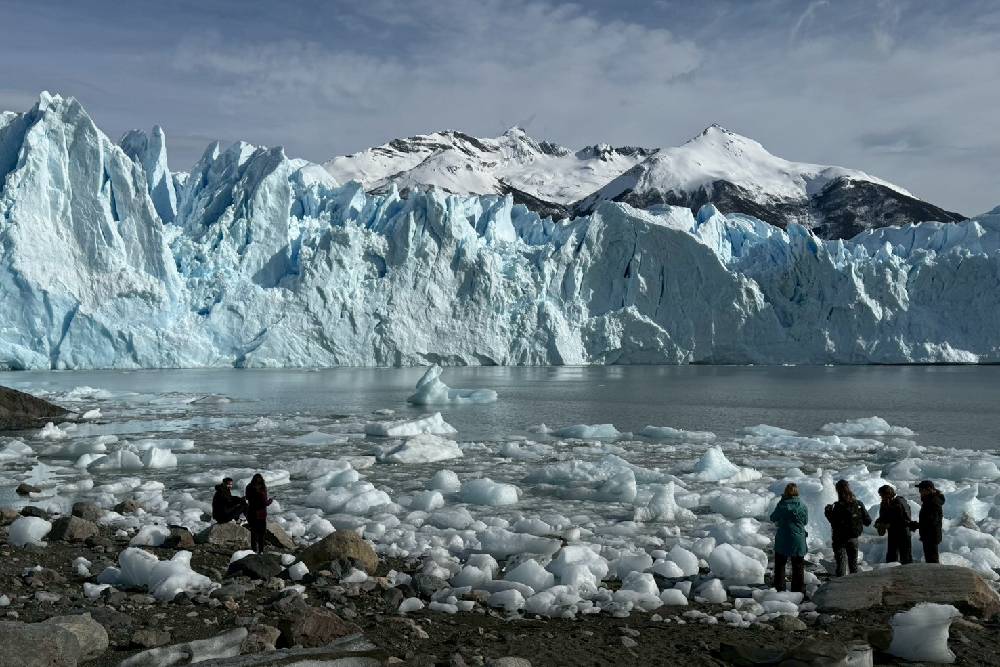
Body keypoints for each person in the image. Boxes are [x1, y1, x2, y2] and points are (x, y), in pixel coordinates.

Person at [824, 479, 872, 576]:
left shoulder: (837, 506)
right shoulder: (858, 504)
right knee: (853, 565)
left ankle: (840, 586)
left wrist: (828, 512)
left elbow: (833, 522)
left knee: (841, 564)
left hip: (839, 539)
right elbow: (868, 521)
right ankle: (853, 586)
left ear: (837, 490)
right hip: (853, 538)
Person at [770, 482, 808, 593]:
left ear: (786, 492)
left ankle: (780, 588)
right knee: (798, 566)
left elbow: (773, 517)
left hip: (783, 538)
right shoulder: (802, 505)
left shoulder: (782, 505)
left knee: (780, 565)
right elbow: (805, 522)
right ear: (797, 492)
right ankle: (798, 590)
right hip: (798, 539)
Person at [875, 485, 912, 564]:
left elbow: (906, 520)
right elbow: (883, 517)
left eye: (882, 495)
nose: (881, 497)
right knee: (891, 556)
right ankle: (892, 573)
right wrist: (878, 522)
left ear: (888, 494)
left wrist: (889, 524)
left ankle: (907, 574)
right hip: (893, 533)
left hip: (903, 533)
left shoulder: (900, 502)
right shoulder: (885, 503)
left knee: (905, 557)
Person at [913, 480, 945, 563]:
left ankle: (935, 575)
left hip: (931, 535)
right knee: (931, 558)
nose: (920, 492)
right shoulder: (929, 500)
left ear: (929, 489)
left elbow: (932, 521)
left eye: (921, 490)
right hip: (929, 534)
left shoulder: (933, 502)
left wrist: (917, 525)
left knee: (932, 560)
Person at [245, 473, 273, 553]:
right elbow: (265, 503)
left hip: (251, 513)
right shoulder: (262, 489)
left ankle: (253, 550)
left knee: (253, 533)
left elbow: (247, 498)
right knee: (261, 533)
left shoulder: (248, 487)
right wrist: (270, 500)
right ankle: (261, 551)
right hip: (260, 515)